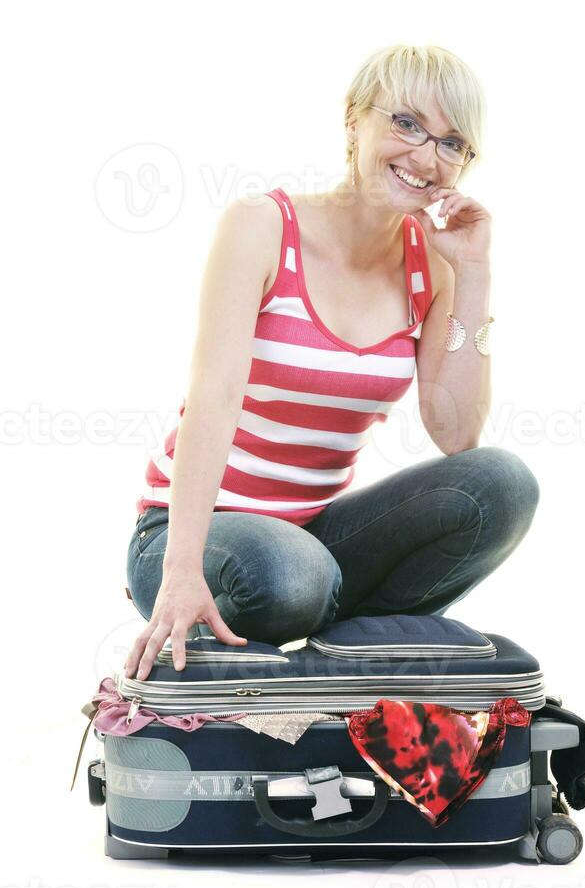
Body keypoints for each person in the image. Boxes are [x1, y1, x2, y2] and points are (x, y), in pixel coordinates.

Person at [124, 43, 540, 682]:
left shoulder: (434, 264)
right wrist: (180, 571)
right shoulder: (262, 227)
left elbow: (456, 433)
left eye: (453, 143)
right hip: (187, 534)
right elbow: (212, 399)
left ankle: (342, 655)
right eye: (406, 123)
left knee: (501, 485)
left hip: (314, 538)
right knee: (292, 575)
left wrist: (475, 274)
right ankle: (318, 626)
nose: (426, 157)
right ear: (354, 119)